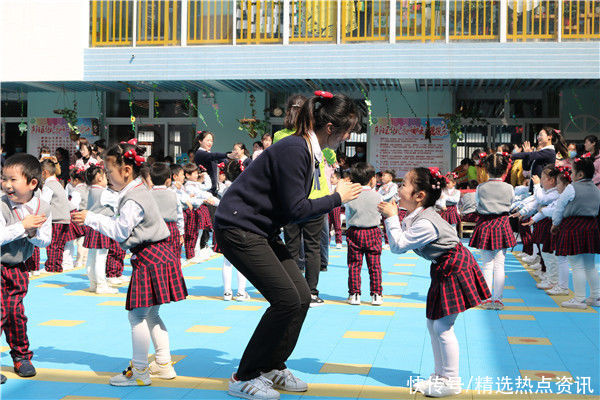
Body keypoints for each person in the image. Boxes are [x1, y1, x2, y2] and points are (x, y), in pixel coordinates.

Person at [214, 92, 362, 400]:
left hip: (261, 229)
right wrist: (337, 198)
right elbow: (297, 209)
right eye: (348, 129)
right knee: (285, 299)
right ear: (332, 127)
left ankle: (271, 366)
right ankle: (244, 376)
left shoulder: (308, 149)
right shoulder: (296, 149)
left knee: (301, 297)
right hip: (238, 228)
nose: (350, 135)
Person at [72, 140, 187, 386]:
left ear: (126, 170)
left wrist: (91, 218)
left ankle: (140, 372)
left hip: (150, 256)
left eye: (110, 171)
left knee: (137, 317)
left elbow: (121, 231)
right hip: (161, 253)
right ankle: (163, 364)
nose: (108, 177)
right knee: (152, 313)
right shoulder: (136, 191)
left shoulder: (134, 197)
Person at [378, 167, 490, 398]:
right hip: (445, 267)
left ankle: (450, 380)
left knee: (442, 326)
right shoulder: (419, 215)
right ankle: (440, 376)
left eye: (404, 185)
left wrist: (390, 218)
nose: (399, 189)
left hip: (454, 267)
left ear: (419, 196)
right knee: (434, 324)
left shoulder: (425, 223)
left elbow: (398, 246)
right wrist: (393, 216)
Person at [0, 154, 51, 384]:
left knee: (15, 314)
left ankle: (21, 356)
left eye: (13, 179)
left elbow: (45, 240)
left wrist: (32, 233)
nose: (7, 185)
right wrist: (22, 226)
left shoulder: (42, 207)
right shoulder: (1, 205)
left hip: (18, 268)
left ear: (32, 183)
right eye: (4, 179)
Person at [551, 154, 600, 309]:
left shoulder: (572, 188)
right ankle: (595, 296)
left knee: (577, 265)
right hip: (591, 226)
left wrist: (555, 224)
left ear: (580, 174)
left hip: (573, 226)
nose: (570, 175)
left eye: (572, 172)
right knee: (590, 265)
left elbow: (559, 207)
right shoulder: (596, 189)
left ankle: (579, 299)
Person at [469, 153, 515, 310]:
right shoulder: (509, 187)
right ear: (504, 171)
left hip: (485, 224)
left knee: (487, 264)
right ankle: (498, 300)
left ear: (486, 170)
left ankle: (486, 298)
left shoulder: (480, 187)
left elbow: (477, 205)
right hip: (502, 225)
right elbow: (511, 203)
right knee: (500, 265)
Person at [344, 162, 384, 306]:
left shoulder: (351, 196)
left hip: (355, 231)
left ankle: (354, 294)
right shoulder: (378, 196)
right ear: (372, 179)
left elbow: (348, 216)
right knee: (375, 265)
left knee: (354, 265)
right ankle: (376, 295)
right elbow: (380, 214)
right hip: (373, 231)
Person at [82, 165, 119, 294]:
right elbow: (119, 202)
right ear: (99, 178)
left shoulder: (91, 190)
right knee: (101, 257)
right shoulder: (104, 193)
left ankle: (93, 283)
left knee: (92, 256)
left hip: (92, 225)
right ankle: (101, 285)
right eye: (104, 176)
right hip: (102, 225)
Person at [217, 159, 250, 302]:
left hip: (225, 226)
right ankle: (241, 292)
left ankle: (227, 292)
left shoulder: (224, 189)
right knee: (242, 261)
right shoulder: (245, 187)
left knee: (227, 261)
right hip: (241, 226)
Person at [150, 162, 184, 269]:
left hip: (153, 228)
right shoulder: (173, 194)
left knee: (155, 255)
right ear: (168, 179)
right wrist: (181, 233)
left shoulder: (147, 194)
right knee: (173, 255)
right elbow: (179, 215)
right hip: (171, 228)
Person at [511, 127, 567, 192]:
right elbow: (526, 167)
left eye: (541, 135)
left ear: (549, 137)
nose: (538, 137)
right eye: (538, 135)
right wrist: (526, 155)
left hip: (542, 190)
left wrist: (511, 156)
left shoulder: (549, 152)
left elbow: (530, 155)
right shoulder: (541, 153)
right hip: (534, 189)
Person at [39, 160, 72, 272]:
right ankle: (57, 265)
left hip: (55, 219)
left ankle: (51, 266)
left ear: (45, 172)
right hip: (65, 219)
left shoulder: (49, 185)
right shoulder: (59, 184)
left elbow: (43, 202)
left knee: (52, 243)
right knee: (60, 244)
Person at [328, 171, 343, 249]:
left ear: (338, 179)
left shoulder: (339, 186)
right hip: (328, 206)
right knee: (328, 224)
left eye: (333, 177)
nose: (331, 179)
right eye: (331, 177)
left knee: (337, 224)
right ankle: (327, 241)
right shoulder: (327, 186)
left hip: (336, 206)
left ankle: (339, 241)